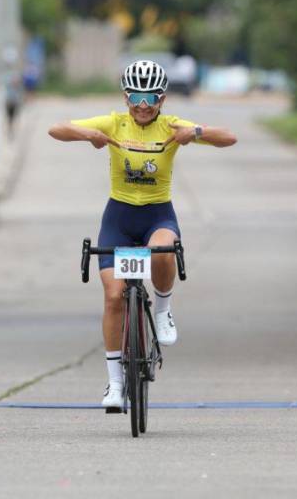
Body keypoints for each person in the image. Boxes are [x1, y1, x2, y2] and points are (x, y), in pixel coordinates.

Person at [48, 60, 237, 410]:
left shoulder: (171, 125)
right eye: (136, 95)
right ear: (125, 97)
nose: (143, 104)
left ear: (162, 99)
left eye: (151, 96)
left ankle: (163, 309)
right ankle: (115, 384)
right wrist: (87, 134)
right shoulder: (113, 123)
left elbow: (229, 137)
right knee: (114, 296)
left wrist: (193, 133)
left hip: (157, 215)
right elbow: (55, 129)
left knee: (163, 250)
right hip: (118, 217)